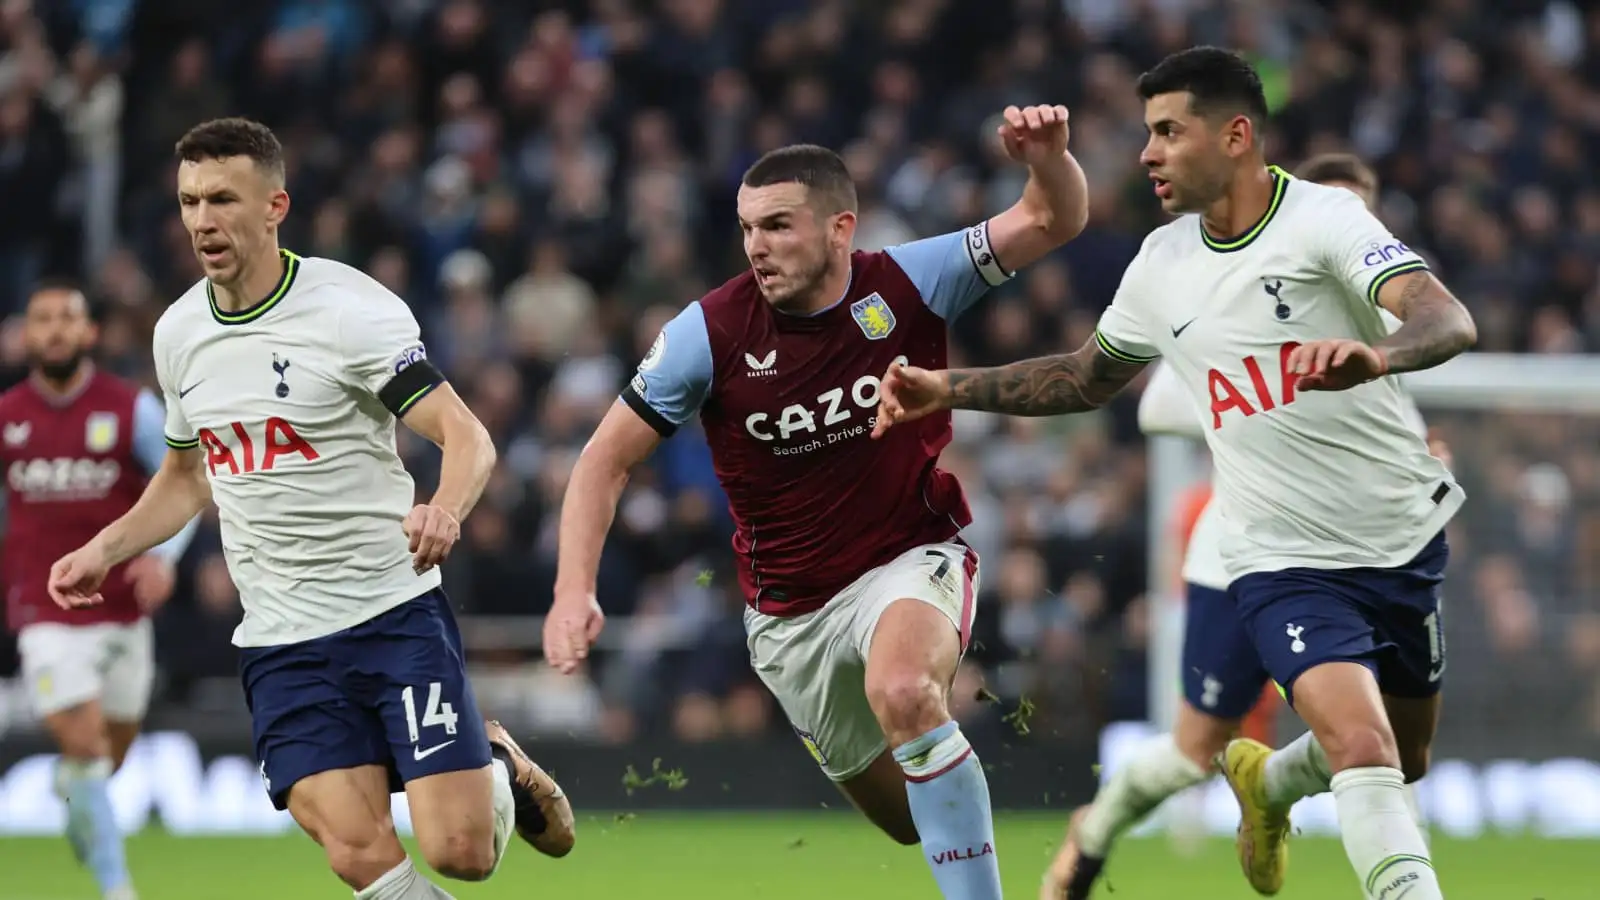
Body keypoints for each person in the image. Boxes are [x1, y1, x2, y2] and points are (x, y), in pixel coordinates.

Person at [872, 48, 1476, 900]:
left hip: (1402, 545)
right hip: (1281, 562)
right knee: (1361, 750)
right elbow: (1086, 376)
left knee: (1405, 756)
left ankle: (1266, 786)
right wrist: (950, 389)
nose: (1147, 152)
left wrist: (1374, 357)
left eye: (1167, 131)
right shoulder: (1160, 265)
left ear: (1236, 136)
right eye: (1147, 133)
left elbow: (1448, 318)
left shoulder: (1325, 222)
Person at [545, 107, 1089, 900]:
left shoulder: (909, 280)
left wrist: (1050, 159)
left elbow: (1053, 216)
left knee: (906, 692)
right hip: (789, 618)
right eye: (746, 229)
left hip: (909, 556)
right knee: (911, 819)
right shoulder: (709, 332)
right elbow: (602, 461)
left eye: (778, 226)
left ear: (841, 228)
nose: (757, 247)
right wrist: (572, 588)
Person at [46, 117, 574, 900]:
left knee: (462, 852)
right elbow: (188, 479)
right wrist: (108, 547)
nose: (202, 220)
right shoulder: (180, 334)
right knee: (359, 856)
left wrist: (445, 507)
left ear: (274, 206)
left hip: (392, 613)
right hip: (282, 640)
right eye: (190, 200)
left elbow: (467, 436)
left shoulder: (348, 311)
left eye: (223, 198)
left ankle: (492, 756)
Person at [1037, 152, 1444, 900]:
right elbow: (1157, 406)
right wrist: (1257, 395)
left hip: (1360, 552)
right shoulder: (1234, 294)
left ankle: (1272, 785)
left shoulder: (1382, 312)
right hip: (1245, 558)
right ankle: (1088, 843)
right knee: (1200, 747)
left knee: (1396, 748)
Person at [0, 280, 198, 900]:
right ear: (26, 336)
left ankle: (76, 791)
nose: (55, 330)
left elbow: (185, 485)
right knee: (84, 741)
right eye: (43, 320)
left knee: (103, 756)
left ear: (89, 334)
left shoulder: (129, 410)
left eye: (68, 319)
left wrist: (162, 558)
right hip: (44, 608)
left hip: (121, 610)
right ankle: (117, 888)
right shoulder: (6, 418)